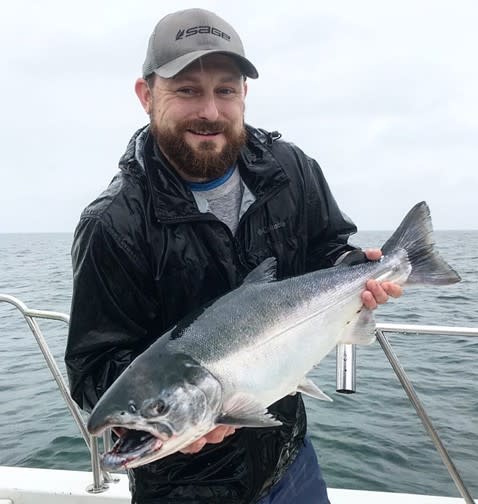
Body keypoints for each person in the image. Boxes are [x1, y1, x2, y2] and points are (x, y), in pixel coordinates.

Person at [65, 8, 402, 504]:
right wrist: (178, 415)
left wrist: (358, 275)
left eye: (225, 89)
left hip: (289, 461)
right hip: (185, 486)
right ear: (146, 95)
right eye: (186, 90)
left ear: (243, 94)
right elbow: (95, 366)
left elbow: (328, 249)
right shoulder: (114, 225)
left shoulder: (290, 170)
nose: (210, 110)